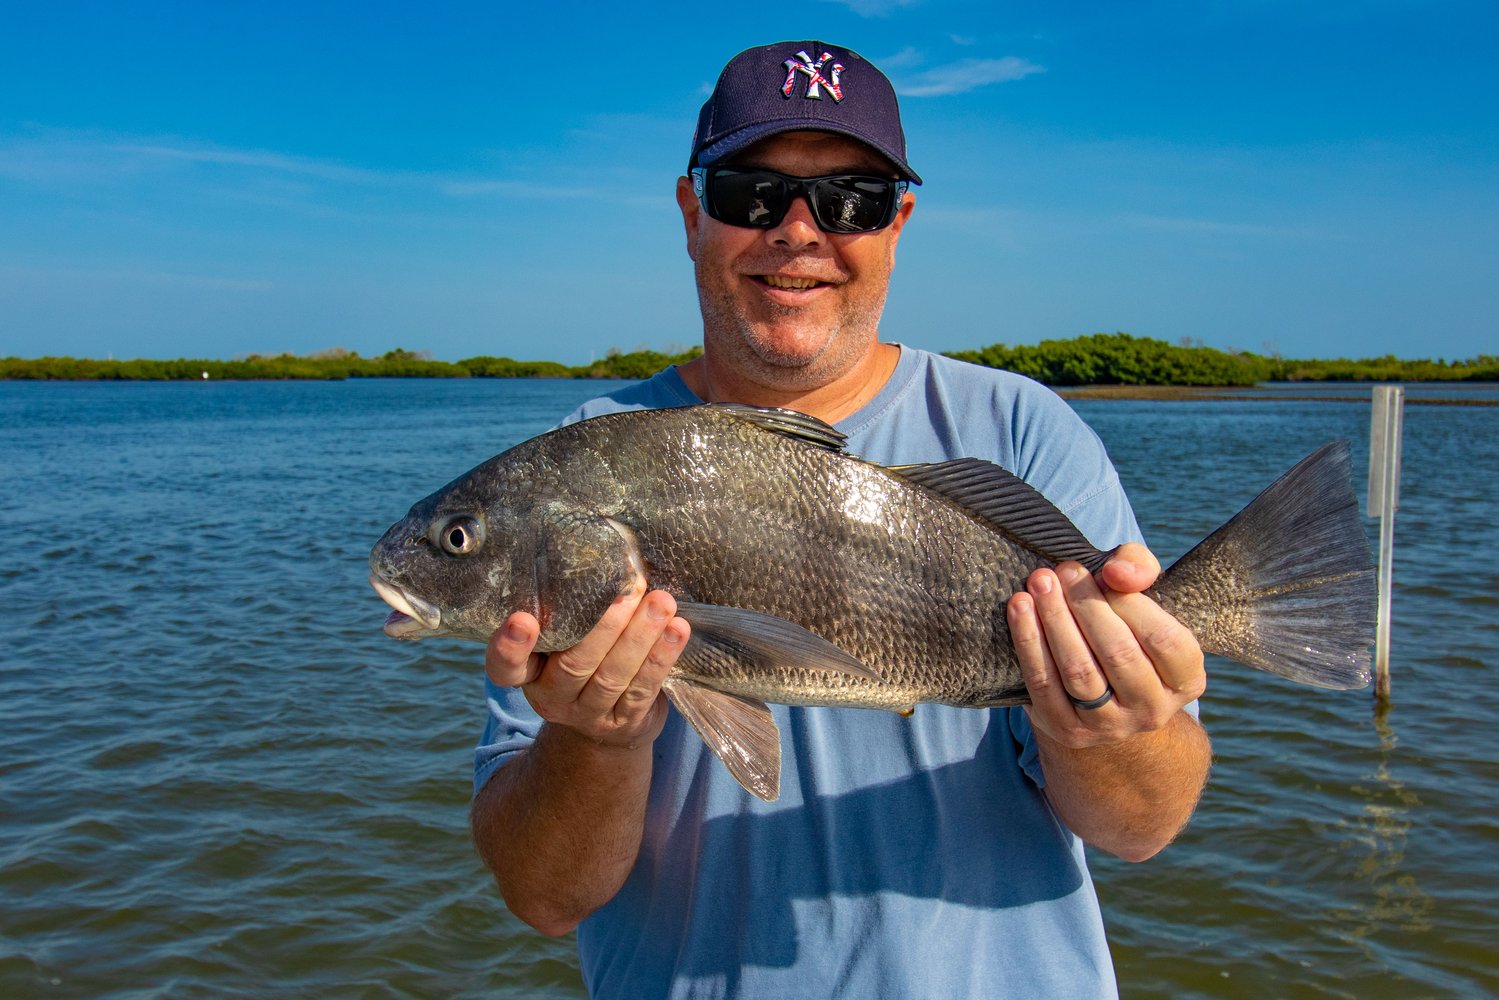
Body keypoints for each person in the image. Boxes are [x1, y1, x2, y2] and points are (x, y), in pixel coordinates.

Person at [470, 40, 1211, 999]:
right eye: (751, 194)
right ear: (692, 212)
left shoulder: (1023, 429)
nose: (797, 232)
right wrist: (592, 739)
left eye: (848, 200)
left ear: (898, 221)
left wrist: (1111, 723)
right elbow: (544, 896)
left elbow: (1141, 827)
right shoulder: (586, 462)